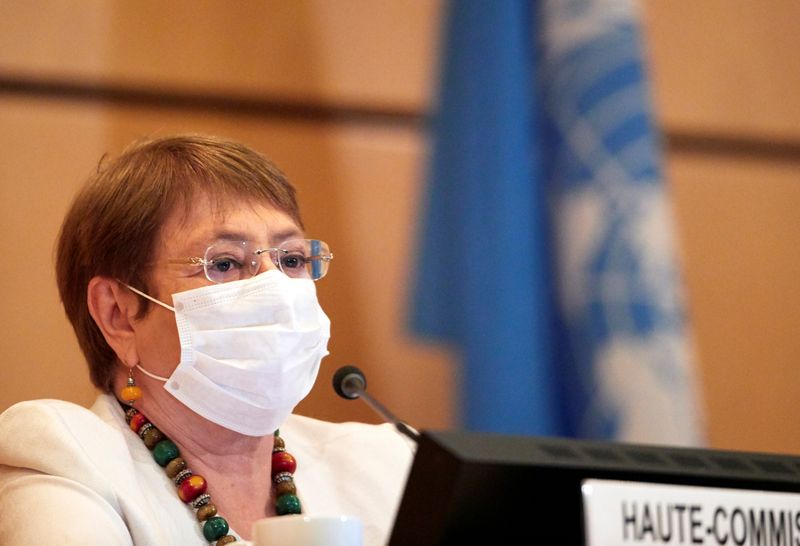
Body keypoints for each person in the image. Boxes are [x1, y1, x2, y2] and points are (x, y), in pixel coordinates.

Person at [0, 135, 413, 545]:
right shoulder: (67, 460)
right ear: (118, 315)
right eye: (225, 263)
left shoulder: (388, 466)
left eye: (291, 259)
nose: (276, 289)